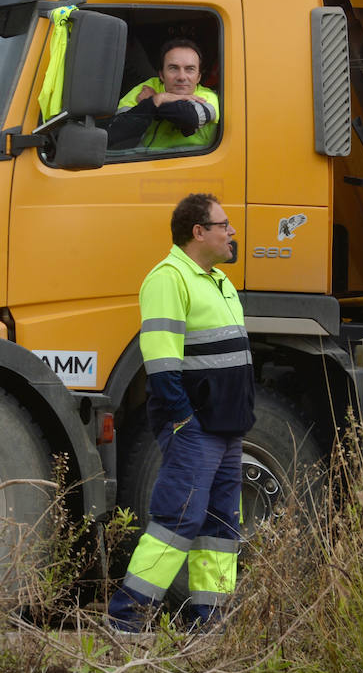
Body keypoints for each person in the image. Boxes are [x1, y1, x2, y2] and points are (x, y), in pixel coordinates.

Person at [108, 193, 255, 633]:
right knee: (178, 520)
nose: (232, 233)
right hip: (197, 428)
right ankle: (127, 615)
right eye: (223, 225)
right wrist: (183, 421)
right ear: (198, 232)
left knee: (220, 525)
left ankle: (209, 620)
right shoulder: (168, 278)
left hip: (226, 427)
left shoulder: (218, 280)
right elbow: (161, 362)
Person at [106, 39, 220, 150]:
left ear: (198, 77)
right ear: (161, 75)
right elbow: (116, 132)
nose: (181, 77)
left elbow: (189, 118)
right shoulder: (147, 88)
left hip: (193, 164)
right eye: (173, 68)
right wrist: (159, 99)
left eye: (189, 69)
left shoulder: (208, 96)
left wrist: (153, 101)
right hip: (145, 163)